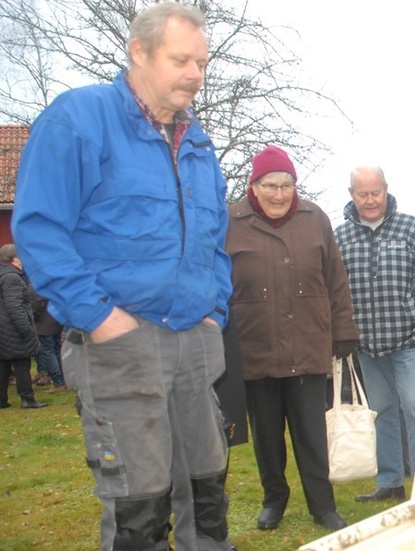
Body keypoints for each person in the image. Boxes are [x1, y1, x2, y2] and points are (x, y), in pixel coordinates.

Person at [11, 3, 235, 549]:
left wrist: (214, 309)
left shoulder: (198, 142)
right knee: (140, 502)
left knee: (208, 491)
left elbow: (216, 241)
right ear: (139, 52)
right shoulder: (79, 119)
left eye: (201, 63)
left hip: (195, 342)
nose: (195, 74)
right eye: (181, 60)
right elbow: (39, 230)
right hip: (121, 342)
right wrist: (100, 317)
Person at [225, 145, 357, 531]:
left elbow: (336, 277)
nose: (279, 194)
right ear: (255, 184)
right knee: (267, 437)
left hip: (307, 343)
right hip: (255, 345)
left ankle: (323, 505)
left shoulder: (314, 217)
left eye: (286, 185)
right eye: (270, 185)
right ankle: (274, 499)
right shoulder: (231, 220)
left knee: (311, 434)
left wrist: (343, 329)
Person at [336, 166, 415, 502]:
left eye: (375, 193)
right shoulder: (340, 237)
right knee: (381, 410)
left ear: (386, 190)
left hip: (408, 340)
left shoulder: (412, 228)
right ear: (351, 193)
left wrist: (413, 310)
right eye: (362, 194)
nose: (370, 200)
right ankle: (390, 481)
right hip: (367, 345)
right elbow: (333, 286)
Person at [0, 245, 46, 410]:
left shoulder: (3, 275)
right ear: (14, 259)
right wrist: (26, 330)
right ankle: (27, 399)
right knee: (22, 364)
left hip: (3, 328)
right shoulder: (12, 277)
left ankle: (2, 400)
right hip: (14, 328)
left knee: (4, 365)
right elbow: (15, 307)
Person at [31, 287, 68, 392]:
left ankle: (58, 382)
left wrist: (32, 316)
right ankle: (64, 380)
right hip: (56, 321)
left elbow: (35, 304)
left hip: (44, 324)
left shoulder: (36, 283)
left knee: (48, 352)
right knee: (57, 350)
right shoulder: (51, 279)